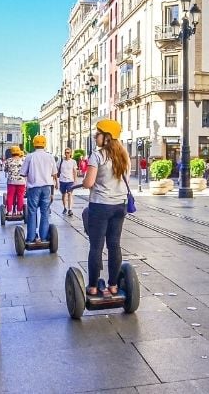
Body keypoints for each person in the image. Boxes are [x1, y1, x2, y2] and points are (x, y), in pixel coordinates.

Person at [79, 119, 129, 296]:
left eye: (97, 133)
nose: (95, 136)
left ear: (107, 137)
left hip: (101, 205)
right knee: (114, 245)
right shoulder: (124, 155)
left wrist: (85, 183)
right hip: (120, 206)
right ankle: (114, 286)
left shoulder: (97, 155)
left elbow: (89, 182)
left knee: (96, 246)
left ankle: (92, 286)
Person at [20, 135, 58, 244]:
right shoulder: (50, 157)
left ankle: (31, 237)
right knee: (45, 212)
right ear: (44, 144)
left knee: (32, 212)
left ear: (34, 143)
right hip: (46, 188)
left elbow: (22, 173)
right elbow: (54, 173)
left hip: (34, 188)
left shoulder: (30, 157)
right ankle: (44, 237)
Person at [4, 146, 26, 215]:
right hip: (21, 181)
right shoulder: (23, 160)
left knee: (10, 196)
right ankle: (19, 211)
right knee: (20, 196)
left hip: (11, 181)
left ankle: (9, 211)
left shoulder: (8, 160)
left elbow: (6, 170)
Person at [57, 148, 78, 216]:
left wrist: (75, 180)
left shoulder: (73, 161)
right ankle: (65, 207)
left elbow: (74, 171)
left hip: (70, 180)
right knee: (63, 195)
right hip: (62, 180)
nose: (67, 154)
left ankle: (70, 209)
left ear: (71, 153)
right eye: (66, 152)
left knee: (69, 193)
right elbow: (56, 170)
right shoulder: (60, 161)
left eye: (68, 152)